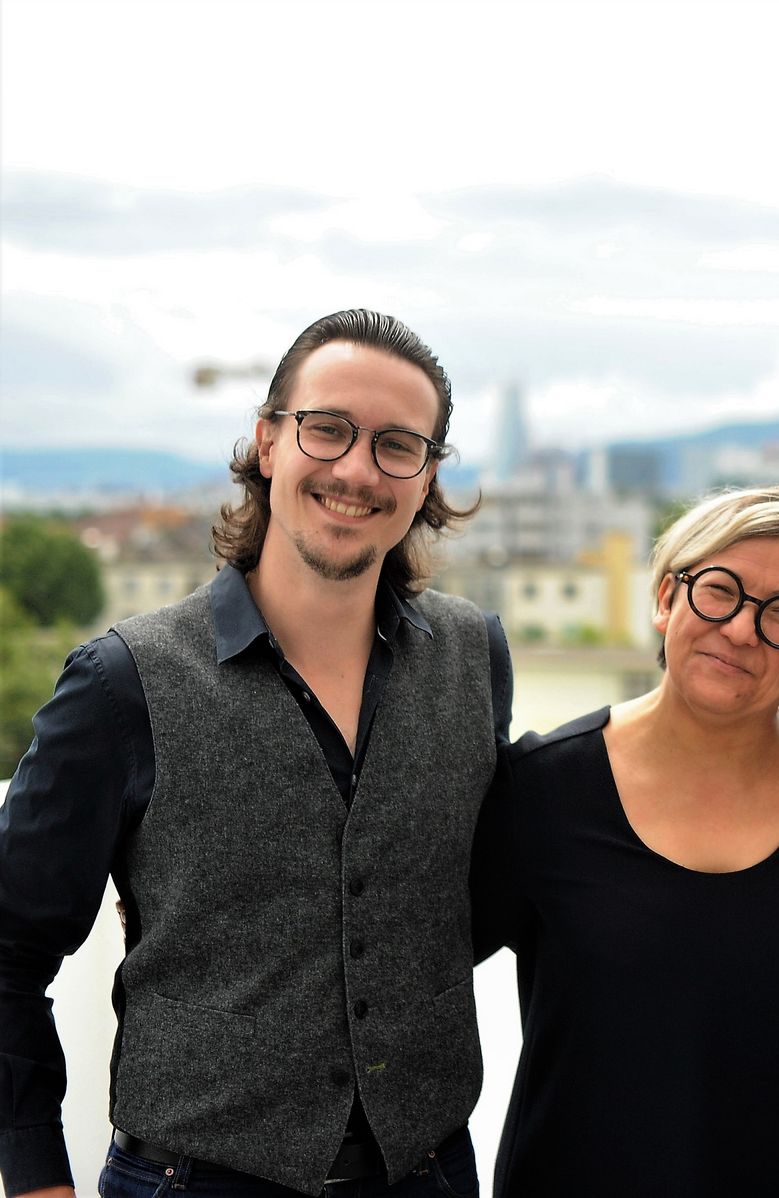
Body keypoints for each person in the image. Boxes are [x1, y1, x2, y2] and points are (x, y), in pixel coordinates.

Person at [0, 310, 510, 1198]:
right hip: (194, 1179)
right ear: (269, 441)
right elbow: (6, 948)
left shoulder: (475, 657)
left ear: (427, 478)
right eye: (328, 429)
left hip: (430, 1171)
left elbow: (469, 892)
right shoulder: (124, 682)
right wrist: (38, 1178)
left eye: (397, 445)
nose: (356, 469)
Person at [473, 485, 779, 1197]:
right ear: (668, 598)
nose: (739, 630)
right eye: (719, 591)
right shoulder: (540, 789)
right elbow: (406, 978)